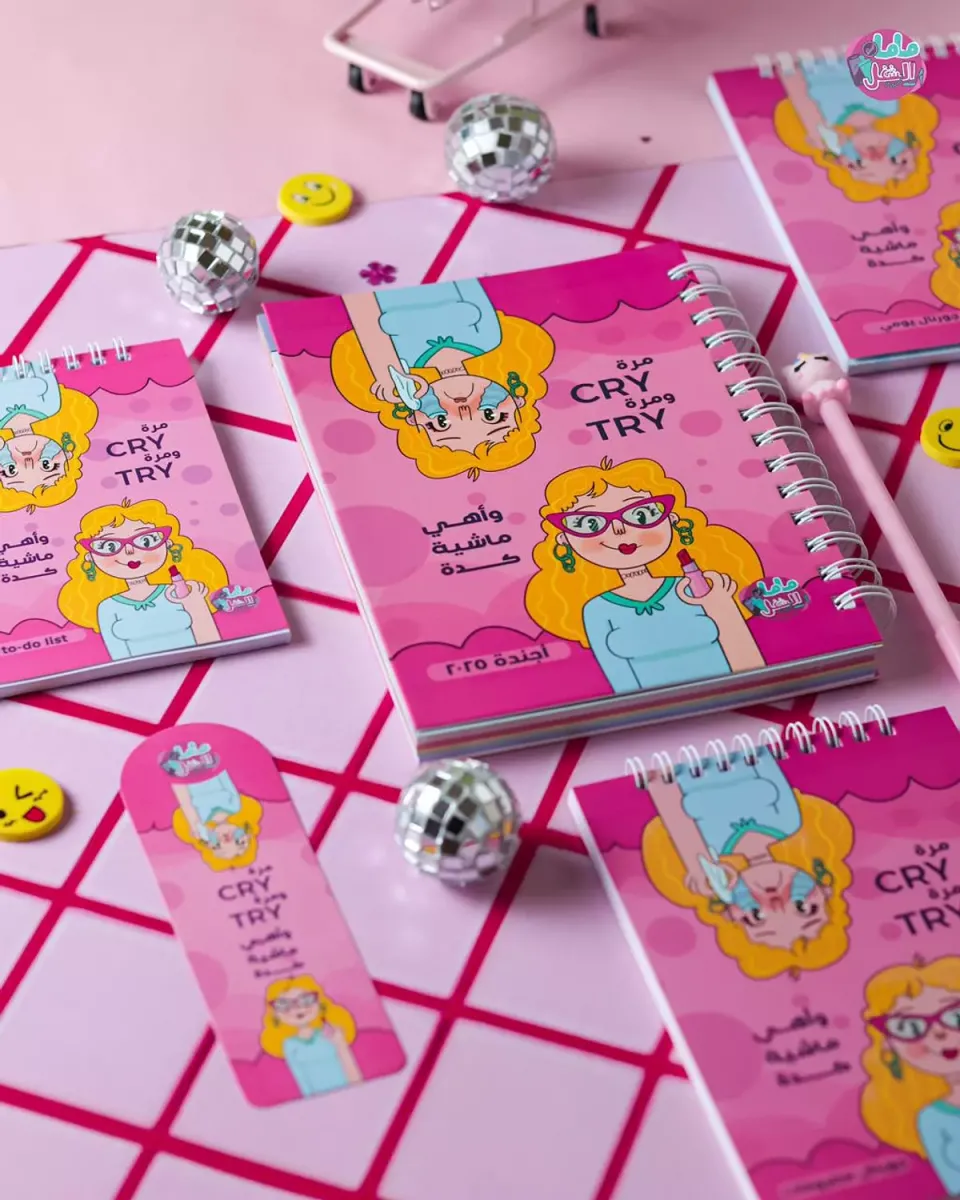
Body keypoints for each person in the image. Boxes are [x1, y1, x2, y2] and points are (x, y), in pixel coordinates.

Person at [525, 456, 764, 693]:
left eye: (641, 515)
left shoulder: (699, 588)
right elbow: (620, 683)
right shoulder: (596, 610)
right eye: (589, 524)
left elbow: (752, 666)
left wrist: (723, 607)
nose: (619, 530)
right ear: (564, 539)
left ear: (672, 519)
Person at [641, 751, 854, 980]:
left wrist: (697, 863)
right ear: (825, 890)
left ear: (729, 914)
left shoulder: (707, 847)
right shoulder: (788, 821)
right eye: (803, 908)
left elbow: (657, 780)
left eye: (756, 916)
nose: (775, 902)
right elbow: (756, 753)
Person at [331, 278, 553, 478]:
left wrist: (386, 371)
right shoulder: (488, 337)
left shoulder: (393, 359)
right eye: (491, 415)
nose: (463, 410)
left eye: (441, 423)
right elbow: (463, 276)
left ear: (413, 419)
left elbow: (357, 303)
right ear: (518, 401)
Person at [58, 498, 227, 660]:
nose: (129, 551)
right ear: (90, 557)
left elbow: (212, 642)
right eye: (109, 546)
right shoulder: (106, 607)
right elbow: (118, 657)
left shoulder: (181, 593)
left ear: (168, 544)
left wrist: (196, 604)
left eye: (146, 540)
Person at [773, 57, 938, 202]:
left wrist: (817, 130)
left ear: (842, 160)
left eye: (860, 164)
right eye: (895, 160)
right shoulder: (889, 105)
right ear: (912, 147)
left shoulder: (822, 119)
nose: (876, 156)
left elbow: (789, 71)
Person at [862, 956, 960, 1195]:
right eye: (909, 1026)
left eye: (956, 1015)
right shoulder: (932, 1119)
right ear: (888, 1044)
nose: (939, 1033)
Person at [0, 366, 98, 511]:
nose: (28, 460)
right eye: (47, 465)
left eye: (11, 470)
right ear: (67, 454)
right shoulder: (51, 405)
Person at [260, 976, 362, 1097]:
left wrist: (340, 1044)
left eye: (306, 1000)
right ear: (275, 1014)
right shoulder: (289, 1045)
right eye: (283, 1005)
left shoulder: (331, 1033)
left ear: (320, 1002)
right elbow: (301, 1079)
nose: (297, 1008)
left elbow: (354, 1075)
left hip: (351, 1092)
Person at [170, 771, 262, 871]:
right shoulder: (234, 806)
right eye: (239, 842)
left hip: (183, 773)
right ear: (247, 832)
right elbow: (223, 774)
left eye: (218, 846)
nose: (227, 841)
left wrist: (195, 824)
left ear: (207, 843)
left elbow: (182, 795)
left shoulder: (198, 817)